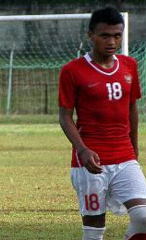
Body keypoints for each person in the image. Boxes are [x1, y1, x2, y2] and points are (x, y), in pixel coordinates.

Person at [58, 7, 146, 240]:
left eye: (117, 35)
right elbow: (65, 116)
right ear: (91, 35)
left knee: (143, 217)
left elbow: (132, 109)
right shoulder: (72, 71)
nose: (112, 41)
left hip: (124, 156)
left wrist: (134, 148)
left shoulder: (129, 66)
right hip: (90, 160)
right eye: (105, 35)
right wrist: (82, 150)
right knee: (94, 230)